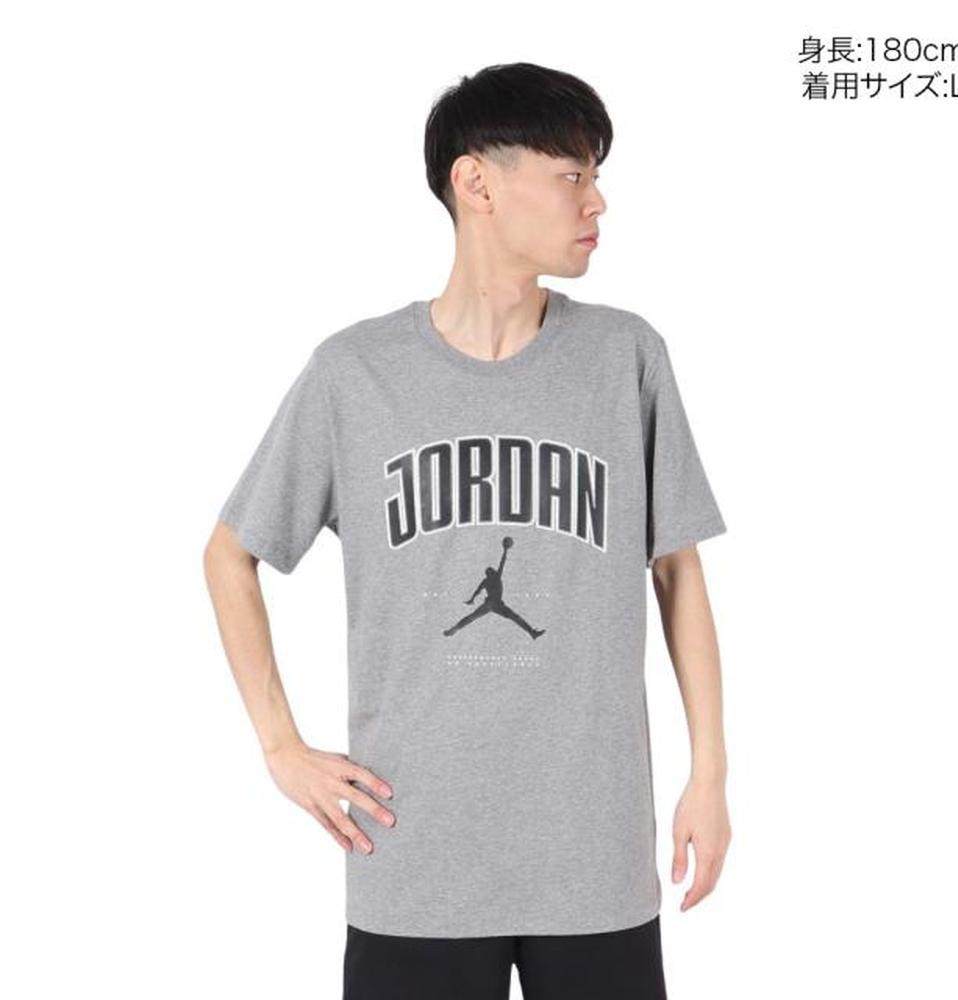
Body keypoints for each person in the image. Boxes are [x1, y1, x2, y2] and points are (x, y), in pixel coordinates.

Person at [204, 61, 730, 1000]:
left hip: (593, 857)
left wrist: (710, 776)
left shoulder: (626, 357)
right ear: (477, 182)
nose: (597, 201)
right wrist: (282, 748)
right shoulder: (356, 373)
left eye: (596, 175)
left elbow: (676, 572)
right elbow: (231, 554)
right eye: (572, 174)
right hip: (413, 858)